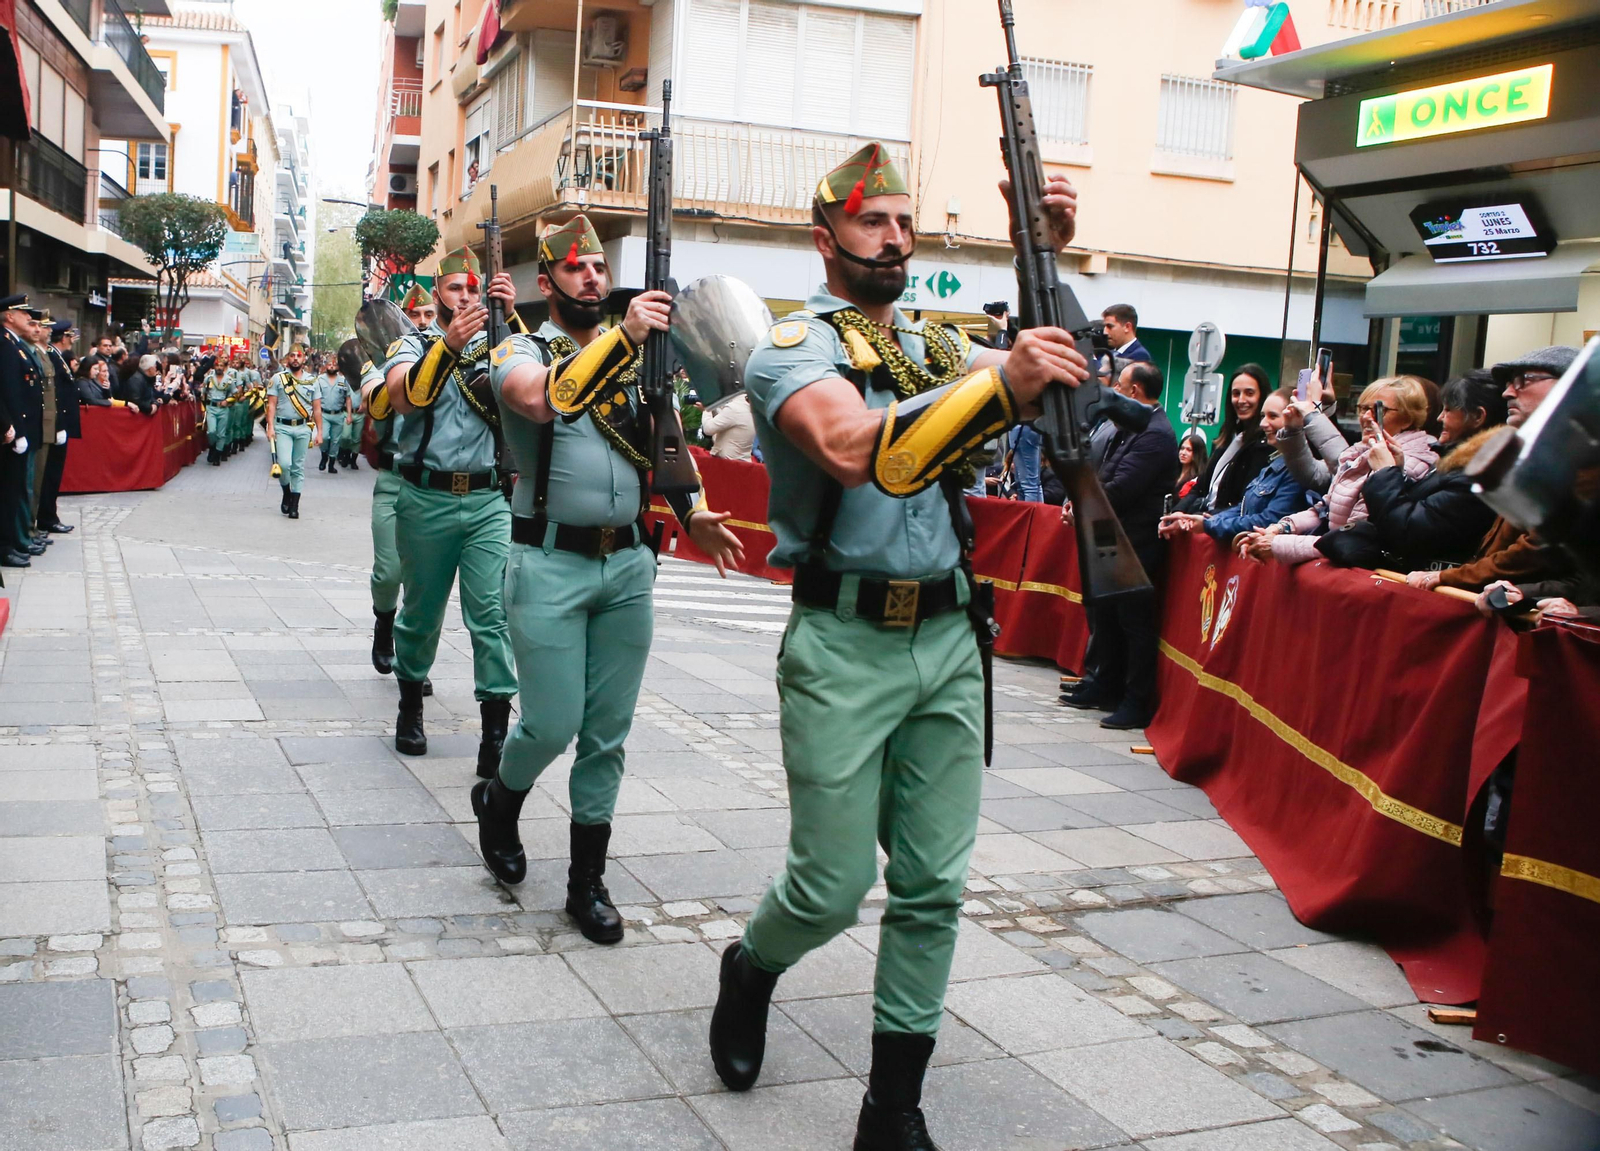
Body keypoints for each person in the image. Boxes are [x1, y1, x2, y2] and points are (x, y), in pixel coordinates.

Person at [707, 143, 1084, 1147]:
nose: (896, 237)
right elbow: (850, 448)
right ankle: (752, 963)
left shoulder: (928, 347)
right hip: (843, 641)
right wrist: (1002, 379)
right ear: (824, 237)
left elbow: (1064, 393)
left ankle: (892, 1107)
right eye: (875, 223)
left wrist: (1040, 254)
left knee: (932, 885)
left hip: (952, 635)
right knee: (829, 888)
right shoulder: (791, 346)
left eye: (906, 222)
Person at [482, 215, 746, 943]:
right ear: (547, 282)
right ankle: (502, 800)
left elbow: (665, 442)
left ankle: (585, 882)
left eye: (598, 266)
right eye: (575, 269)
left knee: (607, 733)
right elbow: (542, 399)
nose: (592, 277)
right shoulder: (516, 348)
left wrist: (691, 510)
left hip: (628, 563)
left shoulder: (639, 363)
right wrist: (624, 339)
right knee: (552, 722)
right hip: (548, 563)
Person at [380, 246, 517, 778]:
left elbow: (543, 387)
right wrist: (449, 348)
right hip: (425, 498)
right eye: (456, 288)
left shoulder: (501, 345)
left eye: (473, 289)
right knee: (420, 614)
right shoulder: (410, 343)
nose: (465, 296)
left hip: (487, 501)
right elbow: (403, 398)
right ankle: (411, 703)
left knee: (492, 615)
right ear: (437, 291)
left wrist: (514, 316)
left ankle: (495, 735)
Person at [1062, 362, 1178, 728]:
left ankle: (1135, 700)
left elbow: (1122, 487)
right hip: (1112, 537)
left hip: (1136, 544)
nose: (1112, 392)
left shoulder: (1155, 433)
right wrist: (1080, 499)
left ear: (1135, 392)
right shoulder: (1127, 428)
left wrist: (1082, 505)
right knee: (1108, 617)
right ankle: (1104, 684)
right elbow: (1103, 473)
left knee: (1134, 625)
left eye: (1119, 386)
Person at [1407, 346, 1579, 594]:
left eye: (1525, 380)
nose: (1508, 392)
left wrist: (1452, 577)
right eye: (1509, 383)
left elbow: (1538, 548)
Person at [1244, 377, 1437, 566]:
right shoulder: (1360, 450)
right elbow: (1324, 508)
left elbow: (1353, 536)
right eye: (1362, 408)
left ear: (1407, 419)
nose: (1366, 417)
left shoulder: (1410, 462)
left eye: (1379, 410)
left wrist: (1277, 544)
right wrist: (1279, 528)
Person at [363, 288, 441, 686]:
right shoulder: (383, 361)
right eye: (417, 313)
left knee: (422, 581)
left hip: (430, 483)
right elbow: (376, 402)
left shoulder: (449, 357)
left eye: (430, 313)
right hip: (393, 478)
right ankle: (383, 621)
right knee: (388, 571)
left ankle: (412, 661)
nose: (425, 320)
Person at [1361, 374, 1508, 574]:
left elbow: (1408, 532)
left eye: (1448, 410)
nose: (1439, 418)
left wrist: (1385, 473)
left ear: (1477, 417)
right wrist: (1398, 471)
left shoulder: (1475, 478)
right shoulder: (1454, 464)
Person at [1161, 390, 1304, 544]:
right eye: (1263, 416)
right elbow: (1242, 509)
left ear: (1296, 419)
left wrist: (1209, 524)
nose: (1263, 424)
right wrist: (1204, 519)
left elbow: (1268, 519)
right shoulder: (1271, 463)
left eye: (1273, 416)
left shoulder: (1296, 470)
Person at [1175, 364, 1274, 514]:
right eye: (1236, 393)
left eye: (1249, 393)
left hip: (1222, 525)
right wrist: (1178, 512)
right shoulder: (1226, 436)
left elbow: (1244, 505)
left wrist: (1201, 520)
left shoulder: (1265, 444)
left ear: (1262, 396)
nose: (1241, 400)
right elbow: (1201, 486)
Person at [1, 295, 46, 568]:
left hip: (21, 427)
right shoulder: (5, 345)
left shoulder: (14, 344)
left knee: (16, 489)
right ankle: (6, 545)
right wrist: (11, 427)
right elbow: (7, 391)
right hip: (11, 430)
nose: (27, 318)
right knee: (9, 491)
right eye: (21, 312)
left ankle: (12, 541)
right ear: (8, 316)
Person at [266, 346, 322, 519]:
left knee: (298, 467)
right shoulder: (278, 379)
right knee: (284, 465)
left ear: (304, 359)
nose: (296, 359)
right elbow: (272, 405)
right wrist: (270, 427)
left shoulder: (313, 381)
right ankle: (286, 492)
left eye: (299, 356)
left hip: (303, 428)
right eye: (292, 355)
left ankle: (294, 506)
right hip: (282, 427)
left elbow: (317, 409)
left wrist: (320, 432)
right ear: (287, 359)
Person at [35, 320, 79, 536]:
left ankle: (48, 516)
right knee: (49, 475)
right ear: (65, 337)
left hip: (58, 425)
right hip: (54, 426)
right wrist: (60, 425)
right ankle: (46, 517)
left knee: (53, 474)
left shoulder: (55, 356)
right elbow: (56, 396)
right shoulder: (52, 355)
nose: (72, 340)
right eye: (70, 336)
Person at [316, 357, 350, 474]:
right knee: (324, 437)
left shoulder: (343, 380)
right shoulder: (320, 380)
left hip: (338, 414)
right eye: (329, 364)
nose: (331, 366)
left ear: (338, 367)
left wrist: (349, 414)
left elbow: (348, 397)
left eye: (334, 365)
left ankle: (331, 463)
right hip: (324, 414)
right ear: (326, 366)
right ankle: (324, 455)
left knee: (336, 440)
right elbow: (315, 398)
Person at [699, 391, 757, 461]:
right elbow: (728, 421)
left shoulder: (735, 408)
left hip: (727, 464)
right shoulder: (754, 410)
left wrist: (706, 409)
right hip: (743, 462)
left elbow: (708, 429)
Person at [203, 356, 234, 465]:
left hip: (223, 408)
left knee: (221, 434)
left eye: (221, 365)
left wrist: (227, 401)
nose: (219, 367)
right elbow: (204, 393)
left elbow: (234, 394)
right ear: (214, 366)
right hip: (211, 407)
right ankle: (212, 446)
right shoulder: (209, 378)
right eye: (217, 365)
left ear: (224, 367)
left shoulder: (229, 380)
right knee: (211, 431)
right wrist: (203, 408)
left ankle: (217, 455)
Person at [1174, 430, 1208, 501]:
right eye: (1182, 448)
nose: (1183, 453)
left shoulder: (1198, 478)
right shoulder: (1172, 472)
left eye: (1189, 450)